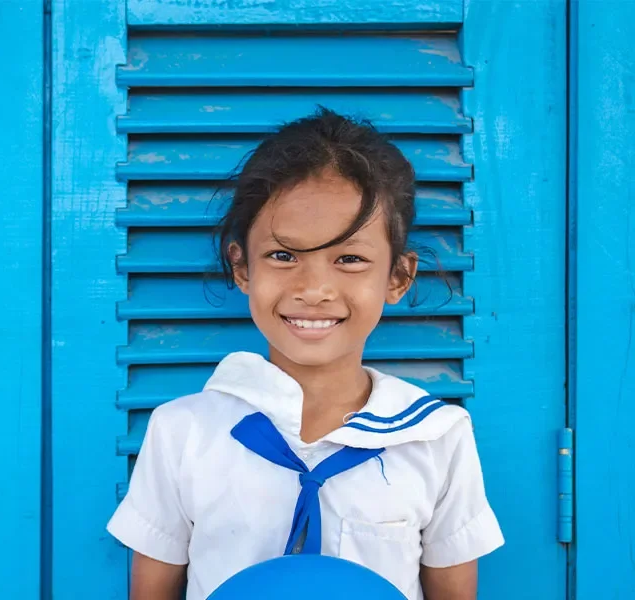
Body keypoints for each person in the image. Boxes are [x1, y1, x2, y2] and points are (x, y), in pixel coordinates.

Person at [107, 108, 504, 600]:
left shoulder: (437, 437)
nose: (314, 289)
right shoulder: (182, 433)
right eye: (283, 255)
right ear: (242, 267)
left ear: (398, 277)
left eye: (350, 259)